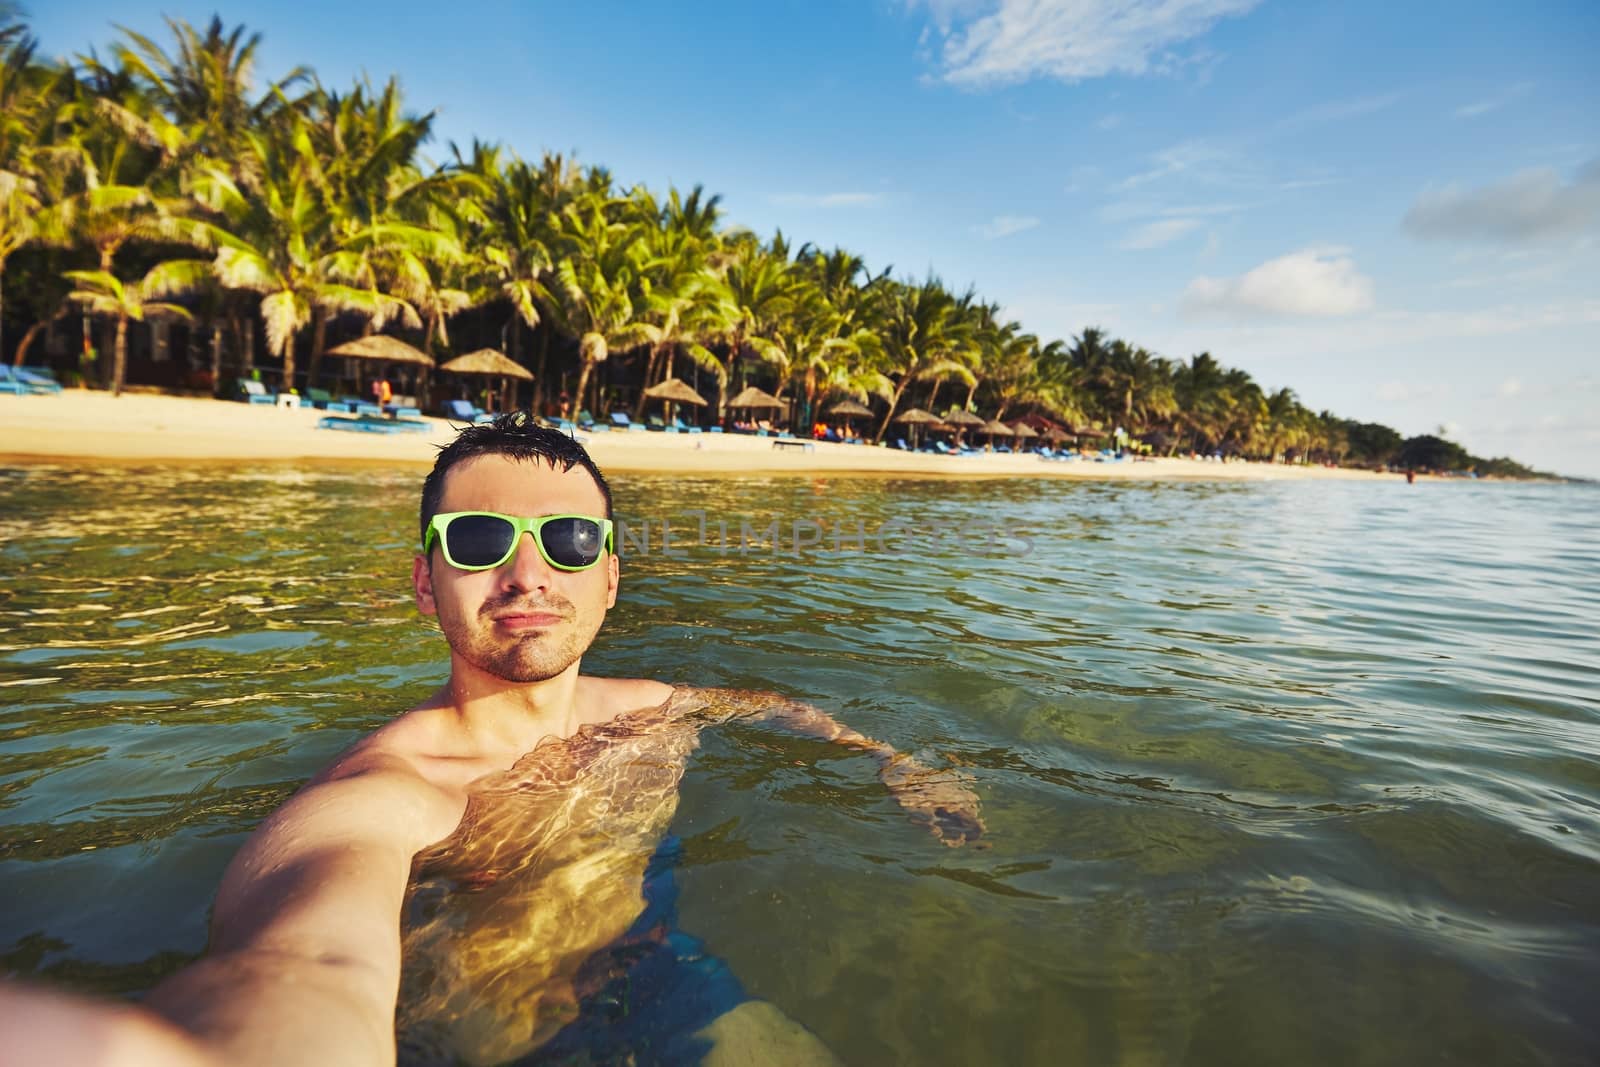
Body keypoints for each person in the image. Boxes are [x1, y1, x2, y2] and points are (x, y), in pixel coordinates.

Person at [1, 412, 982, 1066]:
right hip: (502, 1037)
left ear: (609, 578)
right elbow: (304, 966)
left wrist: (899, 762)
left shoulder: (655, 702)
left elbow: (766, 703)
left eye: (568, 541)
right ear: (426, 582)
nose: (526, 575)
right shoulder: (384, 797)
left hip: (655, 967)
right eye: (478, 541)